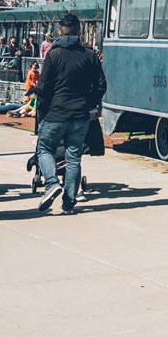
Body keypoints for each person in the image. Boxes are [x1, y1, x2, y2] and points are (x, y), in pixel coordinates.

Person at [33, 13, 105, 214]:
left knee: (44, 149)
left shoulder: (53, 55)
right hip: (80, 114)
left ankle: (51, 183)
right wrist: (88, 103)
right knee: (74, 157)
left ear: (59, 31)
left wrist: (44, 111)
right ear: (78, 31)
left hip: (56, 112)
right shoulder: (89, 56)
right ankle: (69, 202)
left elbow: (44, 87)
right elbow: (101, 85)